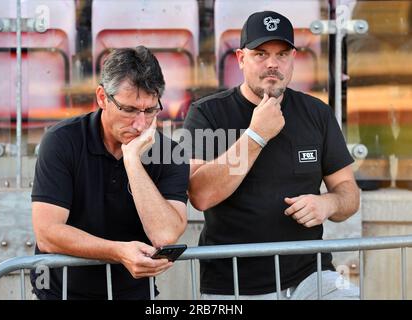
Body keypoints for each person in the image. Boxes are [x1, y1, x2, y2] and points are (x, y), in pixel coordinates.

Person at [183, 11, 360, 299]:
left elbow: (349, 193)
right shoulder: (207, 113)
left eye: (282, 54)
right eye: (260, 54)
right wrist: (256, 135)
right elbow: (200, 194)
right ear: (241, 58)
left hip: (312, 273)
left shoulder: (317, 113)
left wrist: (328, 203)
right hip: (235, 284)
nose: (272, 64)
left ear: (293, 58)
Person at [30, 46, 189, 300]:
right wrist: (118, 252)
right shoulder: (62, 140)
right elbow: (48, 233)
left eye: (150, 111)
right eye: (129, 110)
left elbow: (164, 235)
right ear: (102, 98)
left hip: (132, 294)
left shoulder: (170, 152)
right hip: (60, 292)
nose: (140, 124)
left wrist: (132, 162)